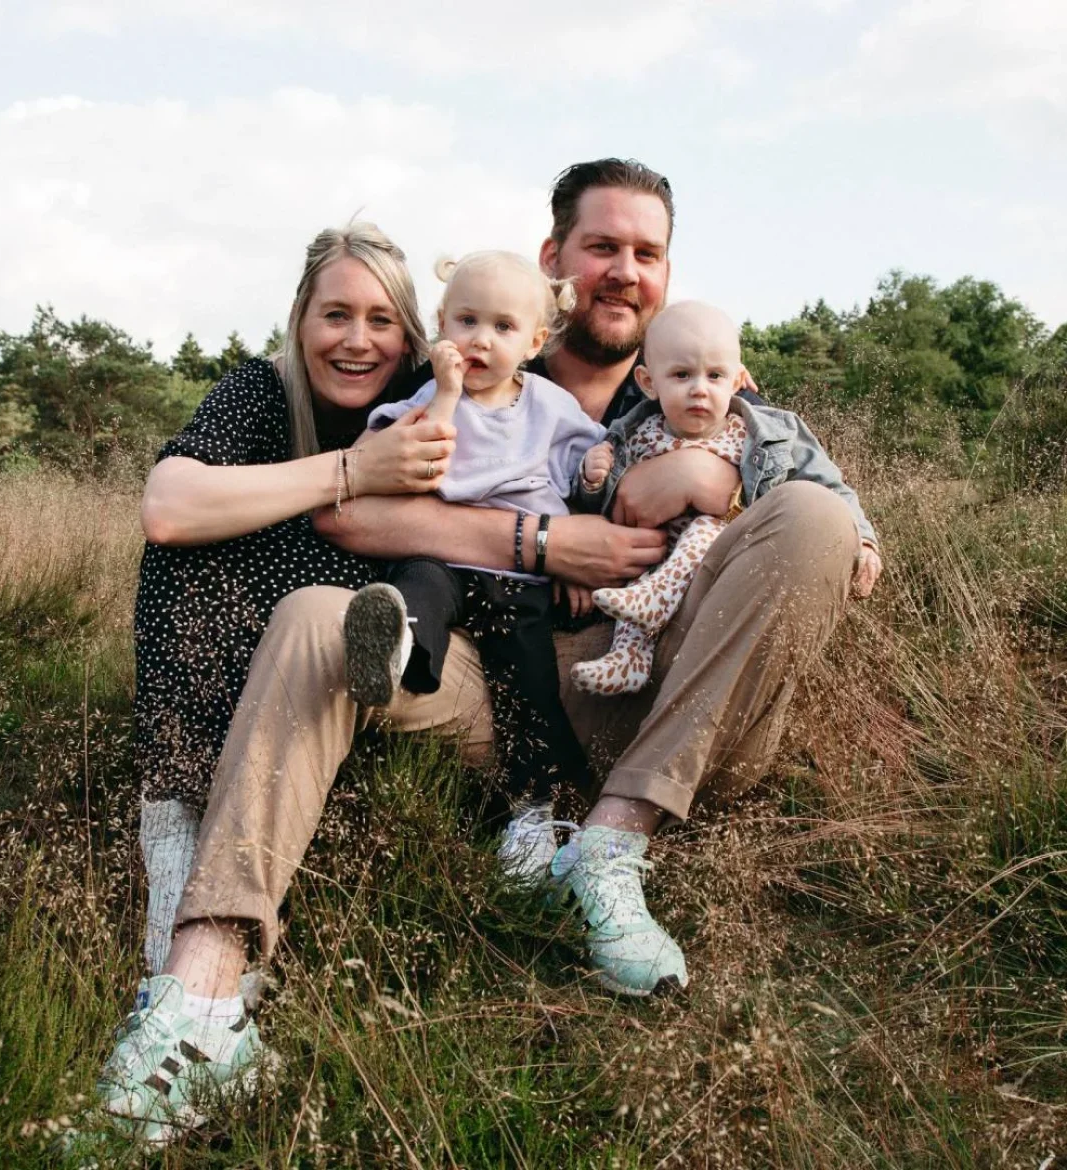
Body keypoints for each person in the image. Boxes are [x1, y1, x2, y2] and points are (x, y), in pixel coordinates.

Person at [87, 158, 881, 1147]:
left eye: (647, 254)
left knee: (809, 515)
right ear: (556, 265)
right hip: (497, 690)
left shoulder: (713, 396)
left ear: (669, 276)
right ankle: (200, 1002)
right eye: (602, 248)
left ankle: (611, 842)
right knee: (313, 616)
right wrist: (540, 543)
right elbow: (354, 513)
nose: (625, 272)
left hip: (664, 700)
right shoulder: (485, 364)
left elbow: (837, 541)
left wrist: (707, 482)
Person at [87, 220, 462, 1147]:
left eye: (381, 319)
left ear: (412, 334)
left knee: (324, 597)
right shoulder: (265, 391)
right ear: (299, 321)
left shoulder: (435, 401)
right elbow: (167, 509)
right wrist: (347, 471)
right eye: (335, 313)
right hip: (286, 667)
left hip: (411, 657)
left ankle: (192, 967)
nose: (356, 339)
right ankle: (179, 838)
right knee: (191, 551)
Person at [343, 250, 604, 882]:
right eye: (466, 321)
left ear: (535, 341)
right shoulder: (432, 396)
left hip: (519, 573)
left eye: (503, 328)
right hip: (442, 550)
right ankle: (394, 647)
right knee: (419, 588)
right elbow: (420, 463)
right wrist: (449, 394)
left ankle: (531, 814)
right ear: (441, 326)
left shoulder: (550, 405)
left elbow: (584, 473)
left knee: (527, 676)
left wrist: (587, 500)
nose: (480, 340)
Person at [570, 300, 879, 696]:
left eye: (715, 375)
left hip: (725, 575)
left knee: (704, 528)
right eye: (681, 375)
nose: (700, 388)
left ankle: (654, 603)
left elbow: (829, 487)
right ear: (649, 382)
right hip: (648, 567)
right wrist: (592, 479)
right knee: (639, 581)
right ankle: (628, 660)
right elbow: (598, 508)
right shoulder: (632, 434)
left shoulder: (766, 434)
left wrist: (865, 539)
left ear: (737, 379)